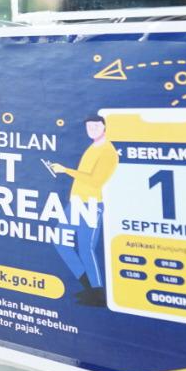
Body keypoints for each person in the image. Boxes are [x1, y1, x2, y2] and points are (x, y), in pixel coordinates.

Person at [51, 114, 119, 305]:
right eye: (89, 127)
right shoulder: (93, 147)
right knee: (60, 240)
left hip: (91, 204)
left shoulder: (108, 151)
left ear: (104, 127)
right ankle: (89, 288)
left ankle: (97, 293)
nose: (92, 129)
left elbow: (95, 181)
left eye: (96, 126)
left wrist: (65, 170)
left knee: (86, 249)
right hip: (76, 203)